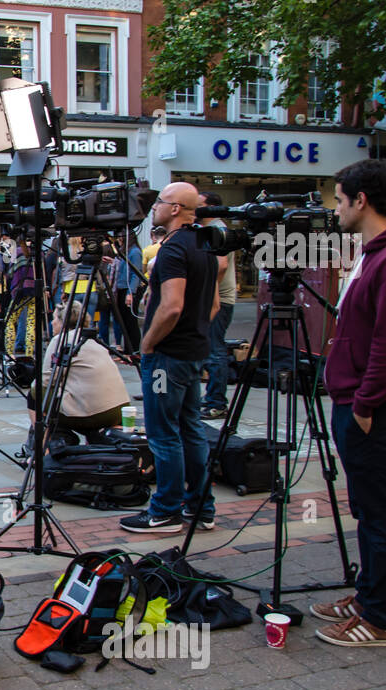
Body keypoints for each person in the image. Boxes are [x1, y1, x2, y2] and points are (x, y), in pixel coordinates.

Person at [314, 158, 386, 648]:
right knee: (367, 507)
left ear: (362, 200)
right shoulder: (374, 254)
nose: (335, 209)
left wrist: (365, 403)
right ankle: (367, 596)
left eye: (339, 200)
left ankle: (381, 618)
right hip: (356, 401)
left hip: (372, 409)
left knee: (381, 513)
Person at [120, 182, 217, 534]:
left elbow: (173, 306)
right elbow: (214, 304)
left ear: (175, 208)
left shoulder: (174, 248)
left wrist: (148, 342)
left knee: (163, 433)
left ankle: (164, 510)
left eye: (159, 202)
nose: (154, 208)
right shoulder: (205, 243)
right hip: (193, 353)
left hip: (167, 356)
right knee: (192, 429)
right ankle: (200, 507)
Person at [27, 298, 130, 444]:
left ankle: (42, 446)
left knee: (34, 393)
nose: (52, 322)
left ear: (63, 321)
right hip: (119, 409)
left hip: (94, 414)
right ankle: (93, 441)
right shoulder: (94, 339)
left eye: (55, 318)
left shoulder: (60, 340)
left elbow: (45, 381)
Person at [198, 192, 235, 419]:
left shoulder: (216, 229)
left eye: (199, 205)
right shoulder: (210, 230)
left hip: (219, 299)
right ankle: (212, 396)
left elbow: (220, 265)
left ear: (211, 207)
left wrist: (210, 294)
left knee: (214, 350)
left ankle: (216, 402)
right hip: (217, 297)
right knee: (210, 349)